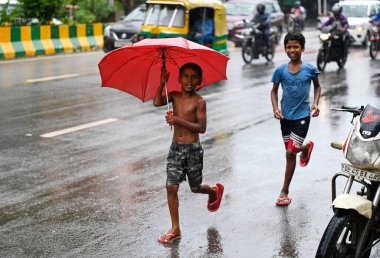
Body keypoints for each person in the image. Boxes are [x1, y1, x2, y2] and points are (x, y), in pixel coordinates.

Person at [153, 63, 224, 243]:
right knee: (171, 186)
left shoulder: (200, 102)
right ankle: (175, 228)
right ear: (179, 79)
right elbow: (156, 102)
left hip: (193, 150)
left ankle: (214, 191)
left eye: (194, 77)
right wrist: (162, 83)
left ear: (200, 81)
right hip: (176, 148)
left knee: (195, 187)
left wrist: (178, 120)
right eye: (186, 76)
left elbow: (202, 128)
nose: (189, 80)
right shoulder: (174, 96)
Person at [270, 32, 321, 206]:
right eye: (289, 47)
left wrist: (315, 103)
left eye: (296, 46)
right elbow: (274, 91)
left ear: (303, 48)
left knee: (290, 153)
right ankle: (305, 148)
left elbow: (317, 86)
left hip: (302, 118)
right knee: (292, 151)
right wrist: (276, 108)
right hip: (285, 118)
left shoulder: (310, 70)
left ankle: (284, 191)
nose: (292, 50)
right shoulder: (280, 71)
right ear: (285, 49)